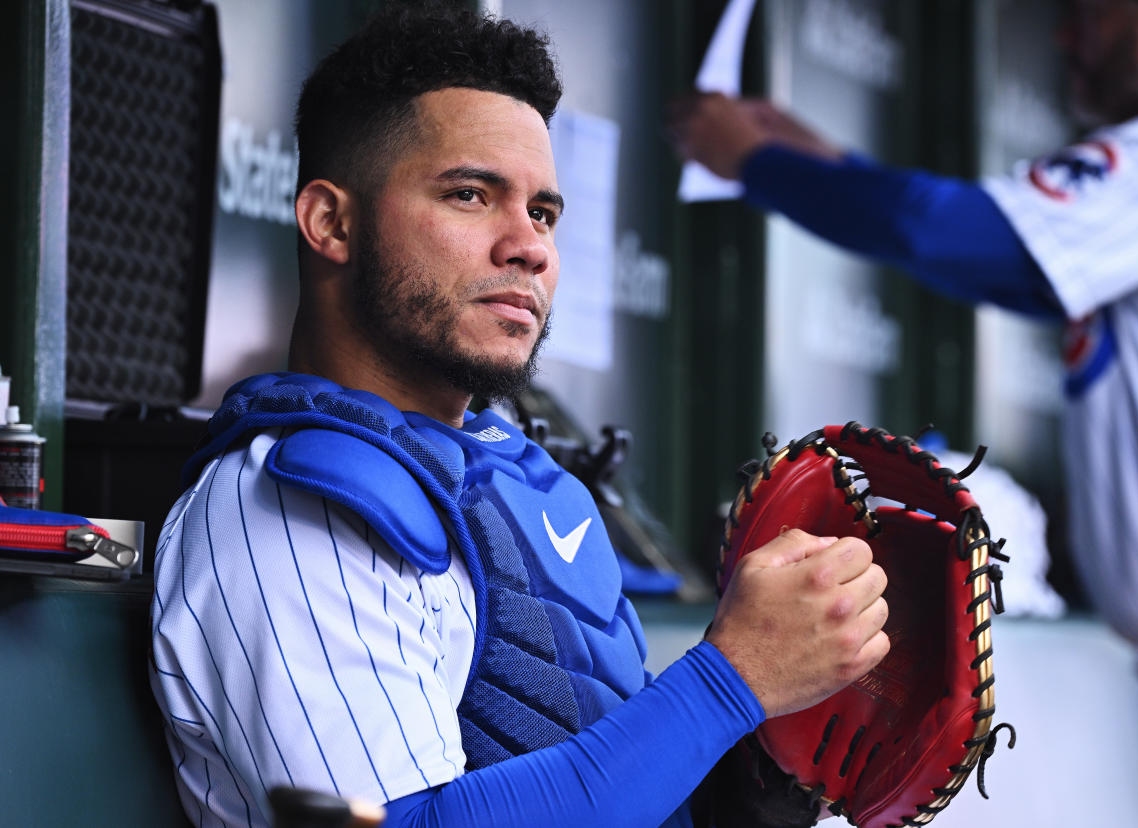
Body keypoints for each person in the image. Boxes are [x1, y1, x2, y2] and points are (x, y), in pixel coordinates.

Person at [148, 3, 891, 827]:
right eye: (471, 195)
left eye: (542, 212)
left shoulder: (518, 485)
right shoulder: (291, 512)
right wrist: (729, 682)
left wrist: (763, 767)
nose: (529, 245)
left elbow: (604, 782)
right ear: (332, 222)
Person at [669, 1, 1138, 825]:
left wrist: (755, 160)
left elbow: (964, 238)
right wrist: (816, 155)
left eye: (1091, 15)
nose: (1066, 36)